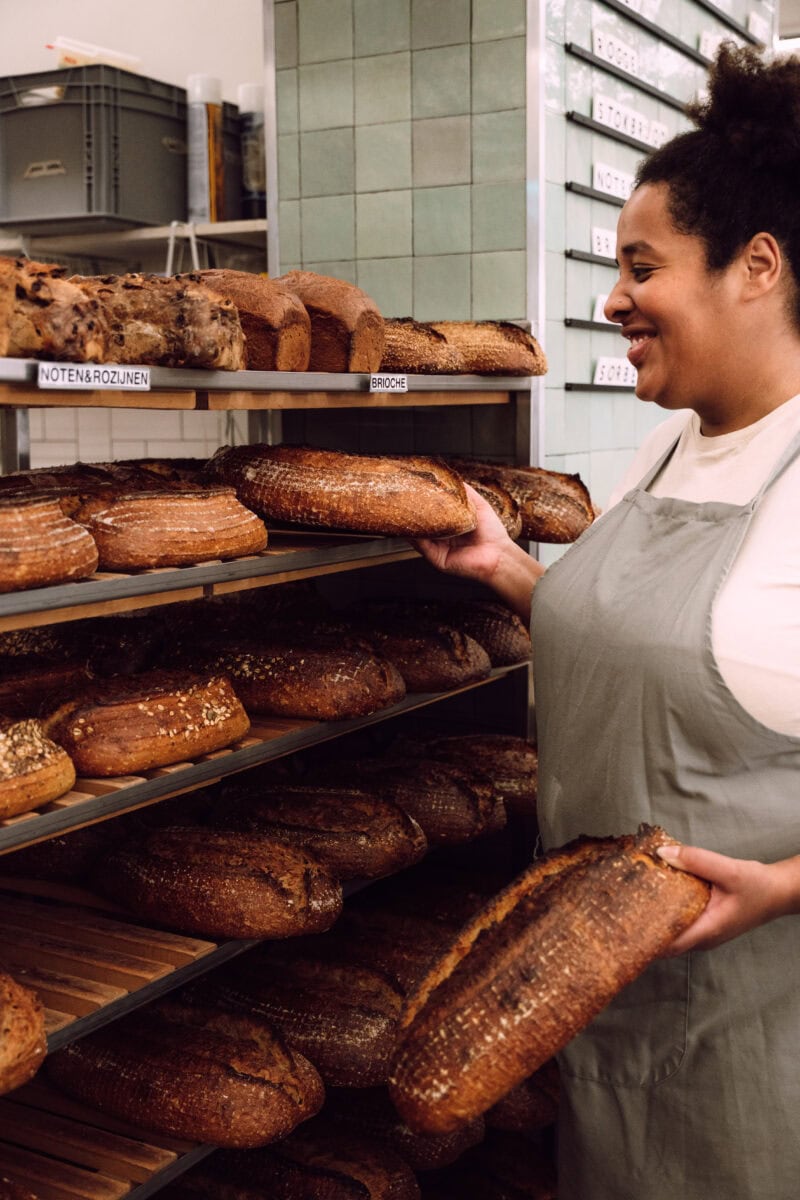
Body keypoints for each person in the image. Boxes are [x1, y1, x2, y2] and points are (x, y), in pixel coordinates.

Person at [415, 42, 800, 1200]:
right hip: (589, 1009)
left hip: (755, 1037)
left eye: (640, 265)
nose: (611, 299)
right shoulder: (659, 449)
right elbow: (675, 657)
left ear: (756, 266)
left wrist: (782, 888)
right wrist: (510, 572)